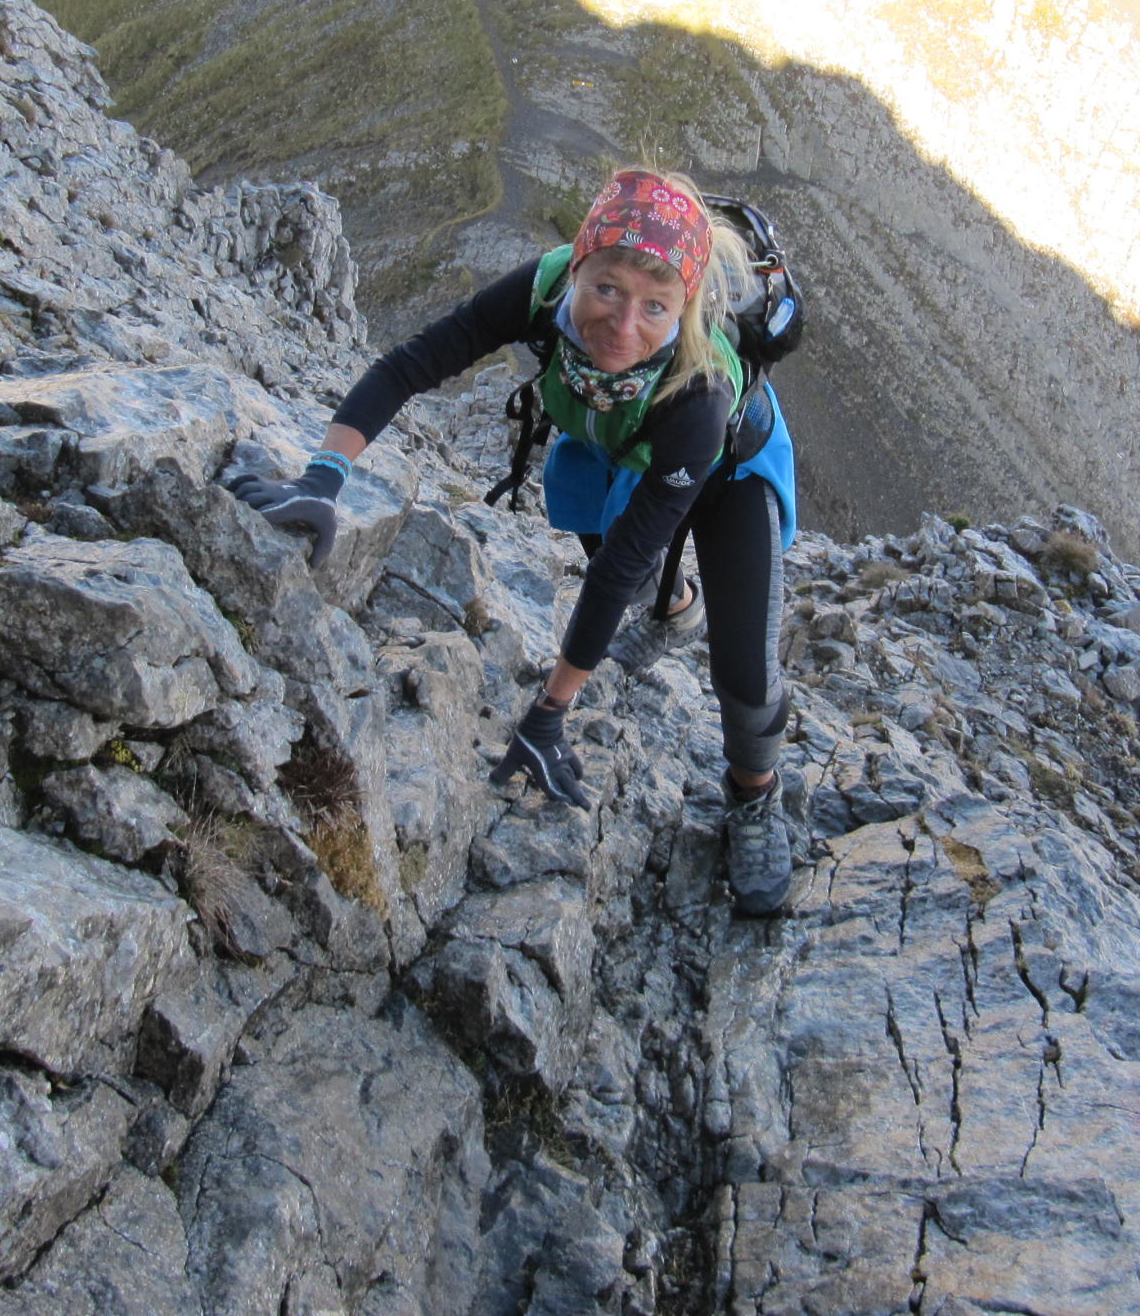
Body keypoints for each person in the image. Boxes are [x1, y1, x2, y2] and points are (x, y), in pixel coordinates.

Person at [227, 169, 798, 916]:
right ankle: (674, 610)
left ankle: (756, 797)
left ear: (685, 310)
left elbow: (622, 558)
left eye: (656, 306)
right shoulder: (543, 287)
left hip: (728, 474)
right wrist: (321, 478)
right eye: (607, 289)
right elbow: (412, 364)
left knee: (744, 676)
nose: (623, 324)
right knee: (627, 568)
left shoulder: (702, 390)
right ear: (577, 267)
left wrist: (549, 713)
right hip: (620, 442)